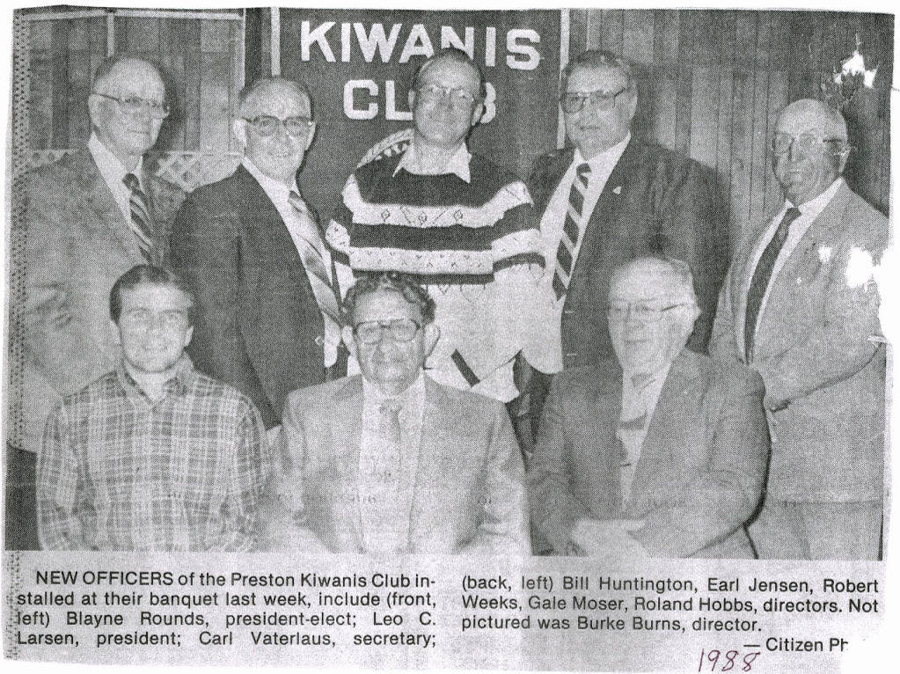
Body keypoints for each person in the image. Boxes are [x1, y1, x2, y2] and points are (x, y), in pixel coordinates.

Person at [327, 48, 559, 411]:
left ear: (479, 112)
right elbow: (340, 296)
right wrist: (386, 375)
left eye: (462, 95)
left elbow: (519, 309)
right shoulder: (361, 189)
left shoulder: (505, 195)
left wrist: (446, 382)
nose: (445, 104)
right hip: (375, 394)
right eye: (434, 90)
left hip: (470, 400)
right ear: (412, 99)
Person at [15, 55, 185, 550]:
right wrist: (107, 403)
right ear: (95, 109)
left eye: (157, 105)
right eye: (131, 101)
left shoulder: (171, 199)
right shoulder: (41, 191)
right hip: (65, 419)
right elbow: (36, 309)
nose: (145, 114)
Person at [710, 99, 888, 560]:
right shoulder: (760, 231)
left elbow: (849, 339)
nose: (788, 158)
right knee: (778, 612)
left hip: (834, 475)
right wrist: (728, 401)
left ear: (841, 154)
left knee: (841, 616)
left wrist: (751, 389)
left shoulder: (872, 230)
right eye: (780, 143)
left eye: (806, 144)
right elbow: (726, 326)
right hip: (759, 468)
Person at [265, 272, 530, 555]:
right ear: (351, 342)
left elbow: (508, 536)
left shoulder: (484, 420)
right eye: (369, 330)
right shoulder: (307, 413)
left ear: (428, 338)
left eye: (402, 329)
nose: (385, 345)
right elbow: (278, 523)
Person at [529, 257, 768, 559]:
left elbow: (733, 487)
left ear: (683, 318)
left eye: (645, 308)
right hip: (590, 567)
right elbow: (543, 479)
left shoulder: (731, 386)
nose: (629, 323)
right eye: (618, 308)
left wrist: (639, 547)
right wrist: (581, 530)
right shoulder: (571, 388)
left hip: (697, 574)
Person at [37, 266, 269, 551]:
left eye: (170, 317)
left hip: (205, 592)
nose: (155, 330)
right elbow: (59, 535)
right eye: (139, 316)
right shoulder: (69, 418)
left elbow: (247, 527)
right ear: (115, 330)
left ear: (189, 333)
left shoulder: (235, 414)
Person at [528, 50, 726, 373]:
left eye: (602, 98)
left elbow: (691, 303)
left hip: (617, 380)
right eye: (574, 99)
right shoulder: (544, 172)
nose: (585, 112)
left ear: (631, 105)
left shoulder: (674, 177)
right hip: (538, 374)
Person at [171, 77, 344, 439]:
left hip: (325, 405)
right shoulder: (212, 207)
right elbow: (212, 335)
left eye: (295, 124)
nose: (284, 137)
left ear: (310, 135)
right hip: (263, 420)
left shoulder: (308, 213)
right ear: (240, 131)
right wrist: (261, 423)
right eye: (266, 123)